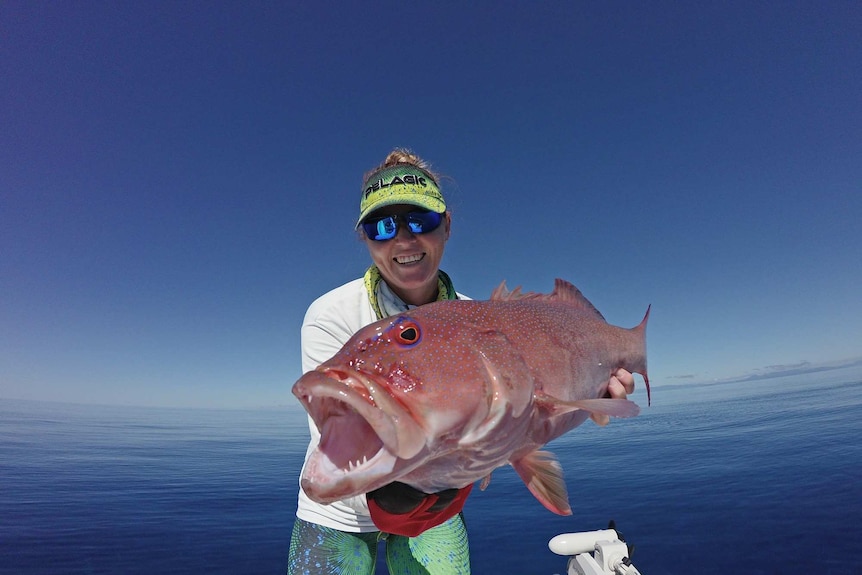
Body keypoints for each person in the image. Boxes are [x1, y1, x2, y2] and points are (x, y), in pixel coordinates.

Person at [287, 149, 636, 574]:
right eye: (381, 227)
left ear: (447, 226)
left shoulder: (477, 319)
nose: (402, 240)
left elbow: (526, 417)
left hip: (436, 512)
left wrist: (599, 402)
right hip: (338, 517)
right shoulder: (330, 314)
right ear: (365, 238)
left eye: (420, 221)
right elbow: (342, 439)